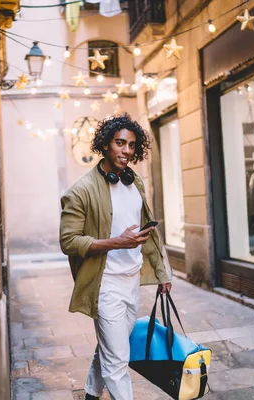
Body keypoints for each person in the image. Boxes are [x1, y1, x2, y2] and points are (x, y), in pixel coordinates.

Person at [59, 113, 172, 400]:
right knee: (118, 359)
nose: (126, 151)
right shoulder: (81, 191)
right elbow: (68, 241)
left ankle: (90, 393)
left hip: (131, 280)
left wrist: (163, 274)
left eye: (132, 145)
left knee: (114, 345)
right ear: (106, 145)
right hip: (105, 283)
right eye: (120, 143)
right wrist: (116, 243)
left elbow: (151, 233)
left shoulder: (136, 184)